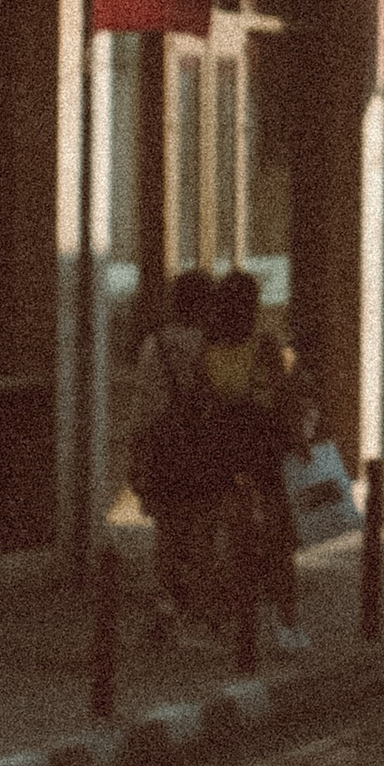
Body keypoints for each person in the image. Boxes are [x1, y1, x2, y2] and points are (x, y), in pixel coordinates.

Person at [203, 268, 309, 652]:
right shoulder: (264, 345)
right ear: (252, 306)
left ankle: (223, 622)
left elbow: (206, 400)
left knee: (231, 539)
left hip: (223, 449)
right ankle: (286, 623)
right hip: (262, 450)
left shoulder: (209, 347)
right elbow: (285, 397)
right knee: (279, 539)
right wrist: (300, 443)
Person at [131, 269, 222, 641]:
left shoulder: (155, 346)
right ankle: (200, 613)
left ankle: (166, 607)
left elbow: (144, 409)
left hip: (165, 449)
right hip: (203, 449)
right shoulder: (213, 346)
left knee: (167, 534)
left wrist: (137, 459)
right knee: (202, 532)